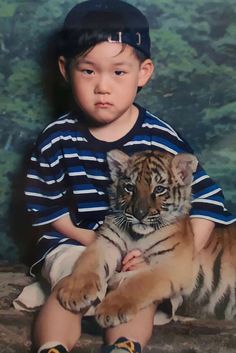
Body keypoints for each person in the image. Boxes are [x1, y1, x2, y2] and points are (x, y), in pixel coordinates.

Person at [21, 1, 235, 353]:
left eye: (118, 72)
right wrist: (90, 241)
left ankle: (124, 346)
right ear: (65, 69)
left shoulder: (163, 137)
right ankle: (52, 346)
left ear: (143, 72)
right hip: (78, 241)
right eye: (88, 71)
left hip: (141, 251)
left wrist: (177, 251)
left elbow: (209, 200)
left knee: (137, 293)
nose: (102, 86)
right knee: (71, 287)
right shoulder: (55, 138)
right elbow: (46, 207)